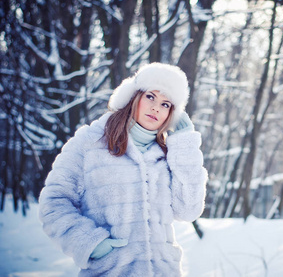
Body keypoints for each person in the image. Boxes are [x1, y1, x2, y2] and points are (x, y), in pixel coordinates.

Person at [38, 63, 208, 276]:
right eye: (151, 97)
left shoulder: (169, 154)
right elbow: (54, 202)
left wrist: (185, 147)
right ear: (134, 96)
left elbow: (188, 211)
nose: (156, 107)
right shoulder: (90, 142)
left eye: (166, 104)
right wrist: (89, 243)